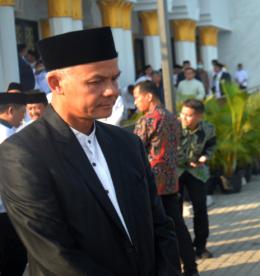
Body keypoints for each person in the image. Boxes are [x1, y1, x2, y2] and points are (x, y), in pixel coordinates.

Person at [0, 27, 181, 275]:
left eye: (114, 78)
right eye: (96, 81)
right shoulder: (22, 154)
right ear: (56, 84)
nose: (113, 90)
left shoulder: (127, 144)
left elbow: (161, 225)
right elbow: (56, 255)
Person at [133, 81, 199, 276]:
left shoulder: (148, 120)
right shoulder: (172, 117)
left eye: (137, 97)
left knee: (158, 231)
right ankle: (191, 268)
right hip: (171, 181)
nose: (136, 102)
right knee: (178, 227)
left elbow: (134, 150)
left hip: (152, 185)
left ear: (149, 96)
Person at [178, 99, 216, 259]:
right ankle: (181, 249)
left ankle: (201, 247)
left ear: (199, 116)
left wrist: (205, 157)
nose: (184, 118)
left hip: (197, 172)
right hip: (176, 172)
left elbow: (212, 146)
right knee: (175, 213)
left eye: (189, 115)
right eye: (183, 114)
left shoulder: (208, 128)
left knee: (200, 209)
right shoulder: (173, 126)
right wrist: (186, 161)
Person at [0, 92, 28, 276]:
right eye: (22, 112)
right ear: (11, 110)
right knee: (14, 258)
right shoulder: (8, 137)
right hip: (5, 210)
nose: (24, 117)